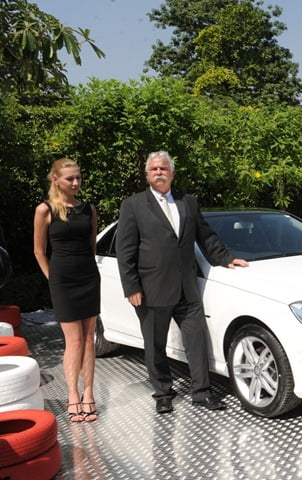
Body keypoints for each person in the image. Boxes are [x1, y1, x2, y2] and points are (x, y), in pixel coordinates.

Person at [115, 151, 248, 414]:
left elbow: (205, 236)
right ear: (147, 174)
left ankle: (202, 393)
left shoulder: (188, 202)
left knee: (197, 342)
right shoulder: (133, 205)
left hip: (187, 288)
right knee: (155, 345)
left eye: (163, 168)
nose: (159, 172)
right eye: (153, 169)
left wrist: (226, 258)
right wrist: (131, 287)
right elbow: (125, 250)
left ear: (172, 173)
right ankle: (163, 393)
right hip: (151, 290)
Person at [33, 158, 100, 423]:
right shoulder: (45, 210)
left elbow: (91, 245)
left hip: (88, 278)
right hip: (62, 281)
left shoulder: (88, 209)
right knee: (73, 341)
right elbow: (39, 252)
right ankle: (73, 395)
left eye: (78, 178)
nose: (75, 183)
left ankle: (89, 394)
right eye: (70, 178)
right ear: (55, 180)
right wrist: (53, 279)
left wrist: (90, 273)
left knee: (89, 338)